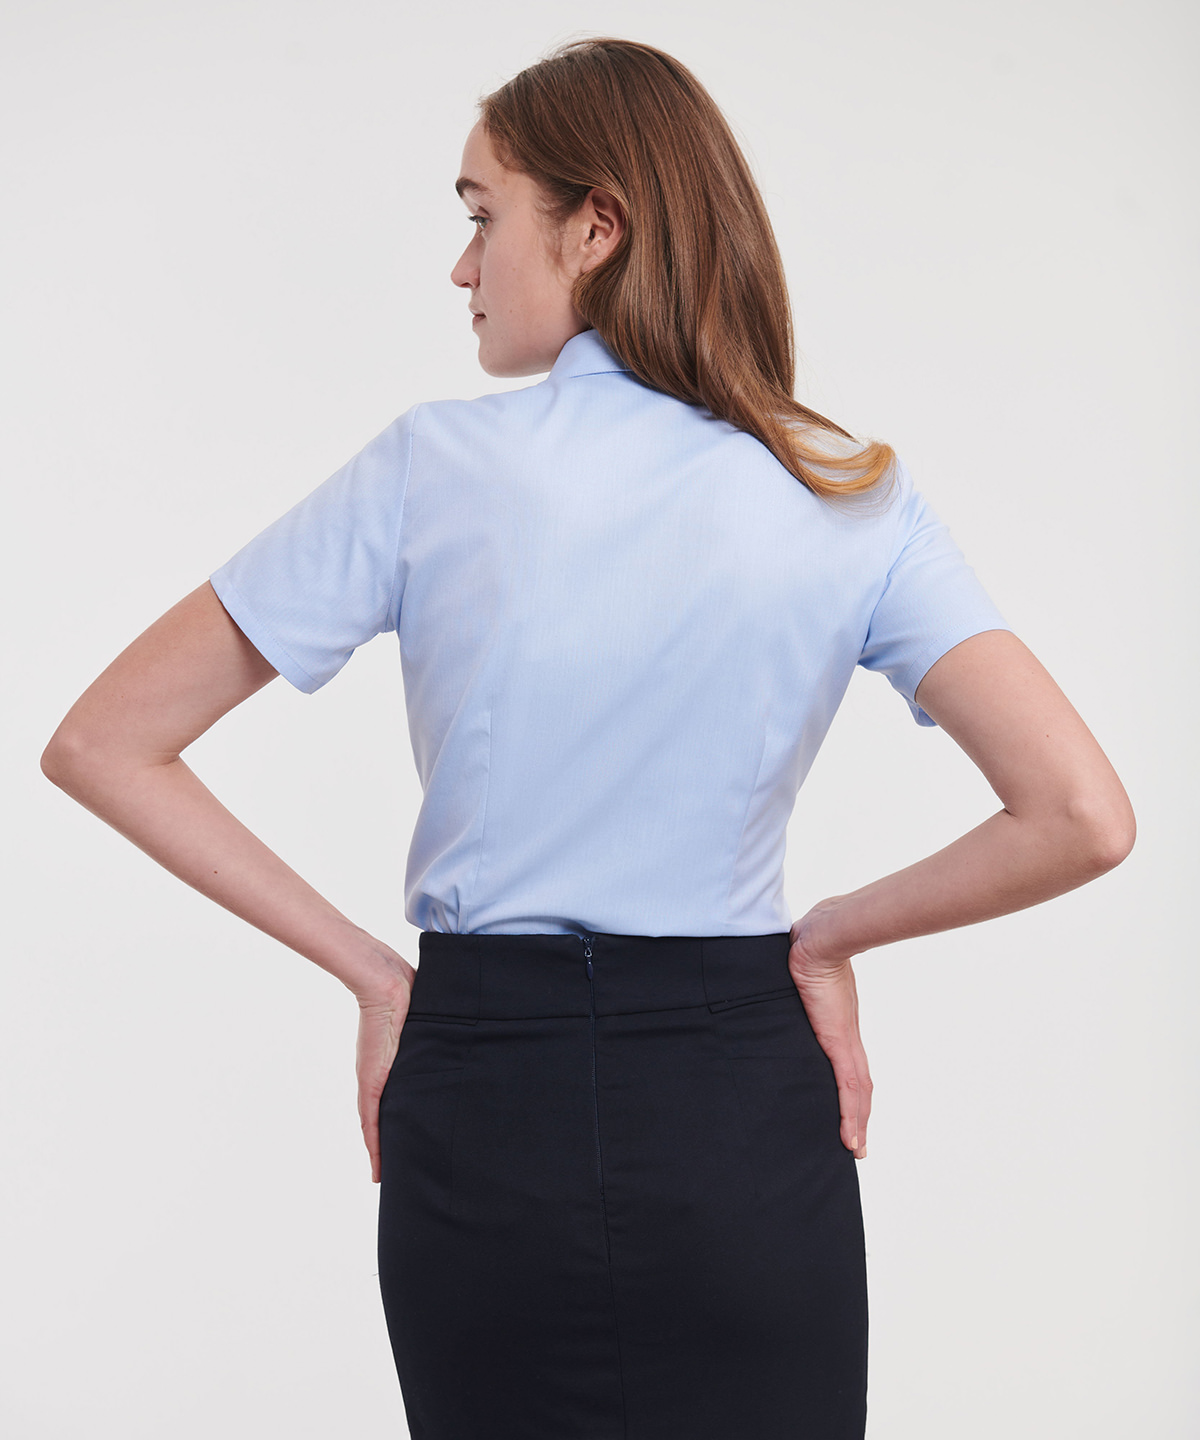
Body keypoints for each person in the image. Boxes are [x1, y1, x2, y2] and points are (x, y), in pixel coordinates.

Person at [40, 34, 1135, 1440]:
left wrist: (376, 979)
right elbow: (1081, 815)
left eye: (482, 214)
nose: (462, 266)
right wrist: (825, 940)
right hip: (740, 1104)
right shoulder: (847, 491)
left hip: (482, 1096)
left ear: (595, 226)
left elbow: (104, 742)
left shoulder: (430, 467)